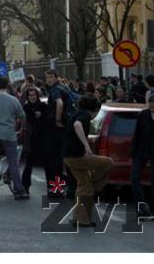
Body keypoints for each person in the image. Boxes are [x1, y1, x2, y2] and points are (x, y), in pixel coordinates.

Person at [63, 95, 114, 227]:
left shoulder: (77, 113)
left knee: (84, 185)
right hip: (77, 157)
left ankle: (81, 219)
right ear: (96, 109)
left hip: (68, 156)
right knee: (109, 163)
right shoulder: (84, 116)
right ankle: (96, 183)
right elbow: (77, 125)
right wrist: (86, 145)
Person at [0, 76, 29, 199]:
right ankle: (19, 190)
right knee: (13, 162)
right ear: (8, 84)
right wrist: (21, 128)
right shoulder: (13, 100)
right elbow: (22, 116)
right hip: (8, 134)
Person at [45, 69, 79, 198]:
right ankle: (72, 189)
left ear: (55, 77)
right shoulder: (64, 87)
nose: (49, 79)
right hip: (69, 127)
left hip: (59, 129)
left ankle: (57, 190)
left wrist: (57, 120)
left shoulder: (55, 90)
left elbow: (59, 103)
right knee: (68, 159)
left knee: (55, 161)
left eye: (51, 77)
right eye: (47, 77)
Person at [21, 87, 52, 196]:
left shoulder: (43, 106)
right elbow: (26, 120)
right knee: (28, 165)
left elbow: (49, 119)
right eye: (30, 95)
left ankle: (52, 188)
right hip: (31, 139)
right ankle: (25, 188)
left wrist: (42, 116)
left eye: (34, 95)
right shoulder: (26, 107)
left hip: (43, 139)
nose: (32, 97)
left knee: (48, 165)